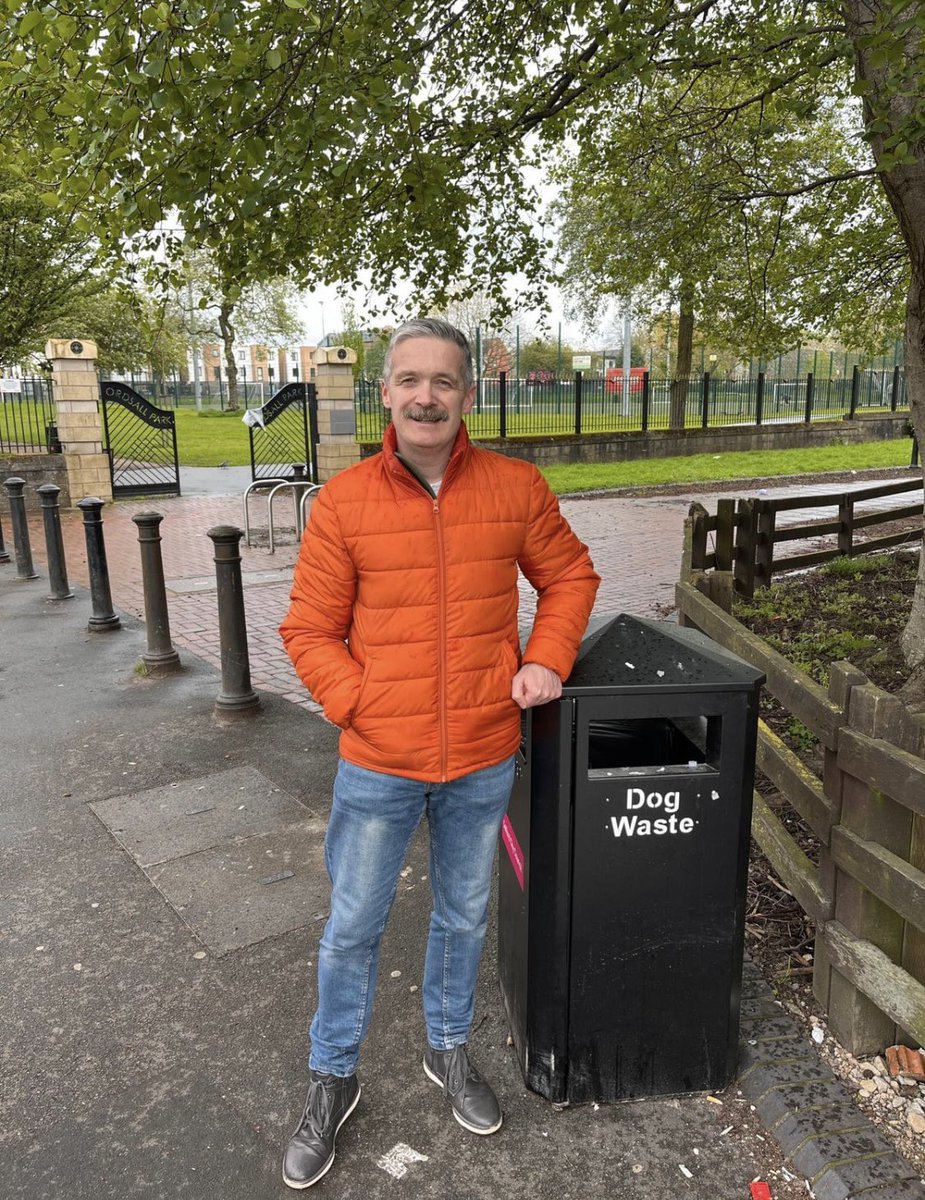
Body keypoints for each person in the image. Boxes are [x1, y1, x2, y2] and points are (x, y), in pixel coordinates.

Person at [278, 318, 600, 1189]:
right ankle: (332, 1077)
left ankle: (448, 1051)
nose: (426, 396)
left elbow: (570, 577)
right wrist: (362, 706)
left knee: (463, 916)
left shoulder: (515, 488)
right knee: (353, 926)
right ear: (385, 392)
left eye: (444, 381)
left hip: (484, 757)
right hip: (378, 761)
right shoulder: (344, 503)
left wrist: (544, 659)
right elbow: (308, 630)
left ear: (467, 394)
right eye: (410, 380)